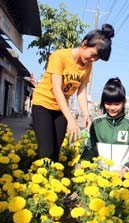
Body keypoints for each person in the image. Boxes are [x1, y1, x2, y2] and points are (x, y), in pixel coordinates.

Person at [31, 24, 114, 161]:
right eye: (93, 55)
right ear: (84, 44)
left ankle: (49, 180)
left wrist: (86, 114)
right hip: (42, 105)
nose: (93, 60)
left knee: (55, 152)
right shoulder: (60, 56)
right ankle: (34, 176)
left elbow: (81, 91)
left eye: (97, 58)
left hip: (61, 110)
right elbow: (57, 89)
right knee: (46, 151)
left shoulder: (88, 66)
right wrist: (71, 119)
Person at [80, 78, 129, 178]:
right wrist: (80, 163)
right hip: (100, 176)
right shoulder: (97, 123)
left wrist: (127, 168)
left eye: (117, 104)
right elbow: (89, 148)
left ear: (124, 102)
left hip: (123, 178)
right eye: (108, 104)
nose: (112, 108)